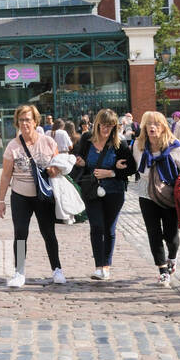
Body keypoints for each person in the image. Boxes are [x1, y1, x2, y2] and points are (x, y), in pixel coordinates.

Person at [0, 106, 64, 288]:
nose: (24, 124)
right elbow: (5, 175)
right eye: (21, 120)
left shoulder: (48, 142)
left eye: (28, 119)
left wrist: (54, 169)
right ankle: (19, 272)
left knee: (48, 233)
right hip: (21, 195)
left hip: (43, 196)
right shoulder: (13, 146)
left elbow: (59, 165)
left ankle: (57, 269)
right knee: (20, 233)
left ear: (35, 121)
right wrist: (1, 200)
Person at [72, 108, 137, 281]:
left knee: (109, 228)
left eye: (109, 126)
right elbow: (77, 157)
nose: (105, 129)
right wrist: (82, 162)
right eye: (102, 125)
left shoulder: (119, 145)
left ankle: (106, 265)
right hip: (91, 190)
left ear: (115, 126)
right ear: (97, 124)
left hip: (114, 190)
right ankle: (98, 266)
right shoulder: (87, 140)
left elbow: (132, 168)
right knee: (96, 226)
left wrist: (112, 172)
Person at [132, 111, 180, 286]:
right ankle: (163, 270)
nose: (152, 127)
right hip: (146, 192)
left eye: (156, 124)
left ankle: (172, 256)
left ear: (164, 126)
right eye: (148, 123)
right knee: (153, 232)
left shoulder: (173, 145)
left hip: (169, 193)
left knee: (171, 235)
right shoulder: (138, 145)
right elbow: (138, 168)